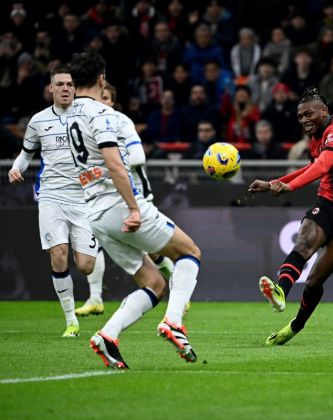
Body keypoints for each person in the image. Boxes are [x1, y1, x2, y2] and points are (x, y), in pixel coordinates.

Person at [66, 51, 201, 369]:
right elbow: (115, 164)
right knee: (189, 252)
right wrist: (134, 208)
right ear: (101, 79)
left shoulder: (68, 116)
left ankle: (107, 336)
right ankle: (174, 322)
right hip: (119, 205)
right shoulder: (100, 113)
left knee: (153, 283)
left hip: (95, 213)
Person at [248, 88, 333, 345]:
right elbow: (313, 166)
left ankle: (295, 326)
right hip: (328, 202)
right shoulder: (316, 136)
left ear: (325, 111)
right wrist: (275, 182)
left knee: (315, 279)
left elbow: (322, 166)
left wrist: (289, 186)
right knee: (304, 242)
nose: (304, 119)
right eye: (299, 116)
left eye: (309, 114)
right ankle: (280, 292)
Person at [7, 66, 102, 337]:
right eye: (59, 84)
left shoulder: (87, 115)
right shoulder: (38, 121)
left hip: (84, 197)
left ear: (75, 88)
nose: (65, 89)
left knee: (85, 265)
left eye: (69, 84)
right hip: (51, 196)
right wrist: (17, 168)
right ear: (51, 89)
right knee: (58, 255)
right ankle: (71, 321)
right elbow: (26, 154)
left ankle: (90, 246)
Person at [74, 82, 176, 317]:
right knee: (94, 242)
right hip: (98, 196)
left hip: (134, 192)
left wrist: (112, 166)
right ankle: (95, 298)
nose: (102, 102)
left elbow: (138, 158)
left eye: (107, 98)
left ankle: (175, 283)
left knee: (152, 252)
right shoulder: (88, 124)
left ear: (113, 101)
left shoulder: (120, 121)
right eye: (100, 98)